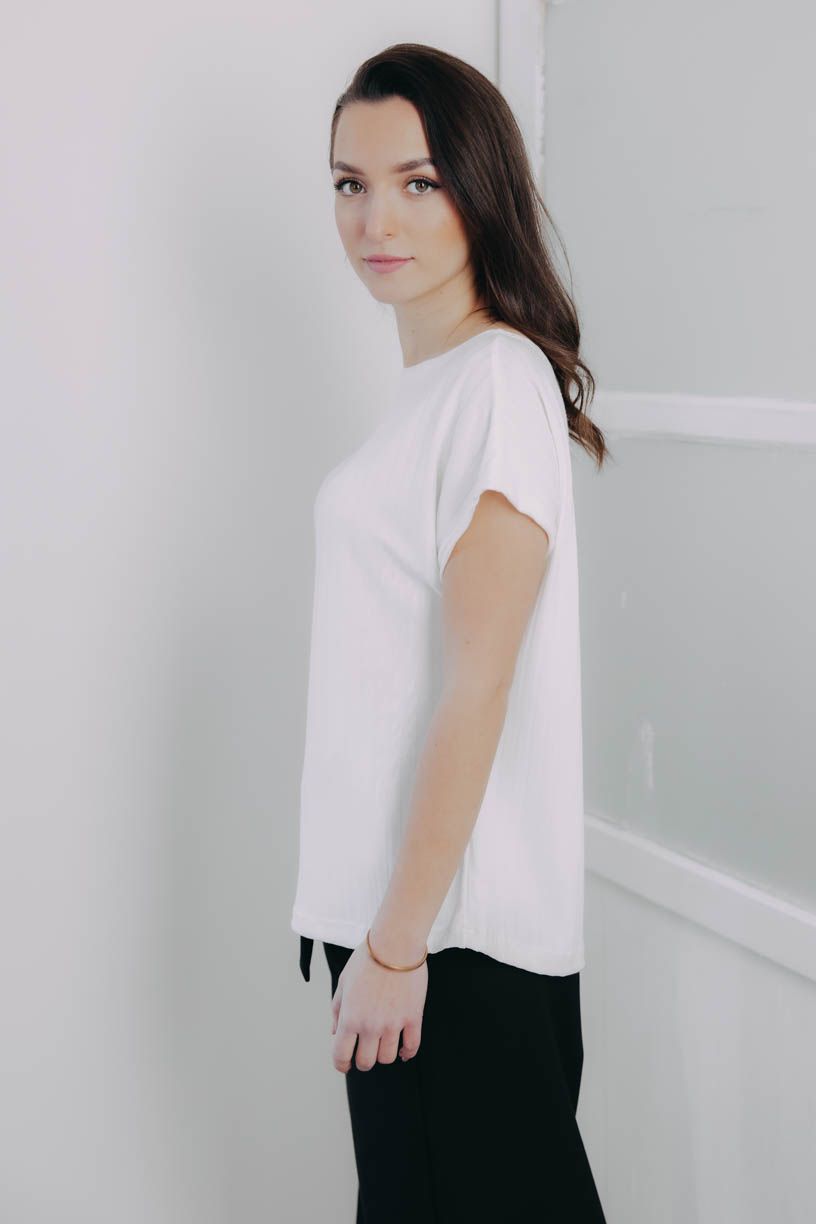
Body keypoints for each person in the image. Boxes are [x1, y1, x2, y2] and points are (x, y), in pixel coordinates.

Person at [290, 41, 610, 1224]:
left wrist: (394, 947)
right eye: (350, 182)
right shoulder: (436, 388)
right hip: (413, 932)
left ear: (478, 188)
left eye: (417, 182)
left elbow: (478, 686)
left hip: (446, 948)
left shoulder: (494, 384)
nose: (376, 219)